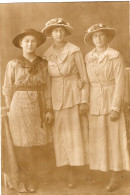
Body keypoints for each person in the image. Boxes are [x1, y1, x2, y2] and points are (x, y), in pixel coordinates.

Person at [80, 23, 130, 192]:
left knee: (114, 138)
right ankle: (102, 173)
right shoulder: (88, 57)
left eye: (101, 35)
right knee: (98, 138)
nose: (99, 39)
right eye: (95, 36)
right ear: (92, 39)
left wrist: (116, 107)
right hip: (94, 100)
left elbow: (120, 83)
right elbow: (86, 81)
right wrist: (84, 101)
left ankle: (116, 174)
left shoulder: (115, 56)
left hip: (111, 97)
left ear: (107, 37)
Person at [2, 29, 53, 193]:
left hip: (38, 105)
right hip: (19, 105)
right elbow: (7, 89)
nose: (30, 44)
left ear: (37, 44)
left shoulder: (43, 64)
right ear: (21, 44)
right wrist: (10, 109)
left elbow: (47, 88)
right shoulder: (13, 63)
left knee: (36, 144)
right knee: (21, 145)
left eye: (33, 41)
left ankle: (34, 178)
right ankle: (23, 179)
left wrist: (48, 109)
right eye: (26, 41)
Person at [42, 18, 89, 188]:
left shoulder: (74, 51)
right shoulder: (47, 55)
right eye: (55, 30)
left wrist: (84, 100)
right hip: (56, 98)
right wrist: (48, 106)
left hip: (73, 95)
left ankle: (75, 174)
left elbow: (84, 77)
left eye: (62, 30)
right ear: (51, 34)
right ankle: (64, 170)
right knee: (60, 136)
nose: (59, 33)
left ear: (65, 32)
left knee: (75, 135)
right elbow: (47, 82)